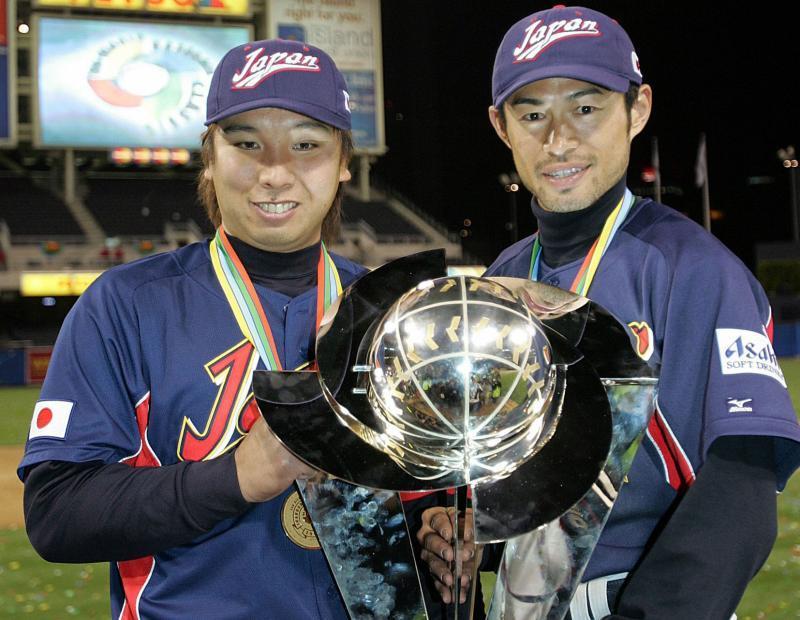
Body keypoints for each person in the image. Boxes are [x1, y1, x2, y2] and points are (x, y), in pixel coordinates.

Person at [416, 6, 800, 619]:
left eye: (586, 108)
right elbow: (499, 480)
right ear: (500, 124)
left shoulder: (693, 269)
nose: (558, 138)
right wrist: (462, 534)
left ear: (638, 109)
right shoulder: (500, 279)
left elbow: (743, 484)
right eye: (532, 113)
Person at [19, 39, 364, 619]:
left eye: (306, 145)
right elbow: (56, 512)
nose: (275, 173)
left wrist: (440, 531)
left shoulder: (394, 306)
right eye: (246, 144)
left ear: (344, 160)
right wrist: (238, 476)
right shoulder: (125, 305)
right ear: (209, 154)